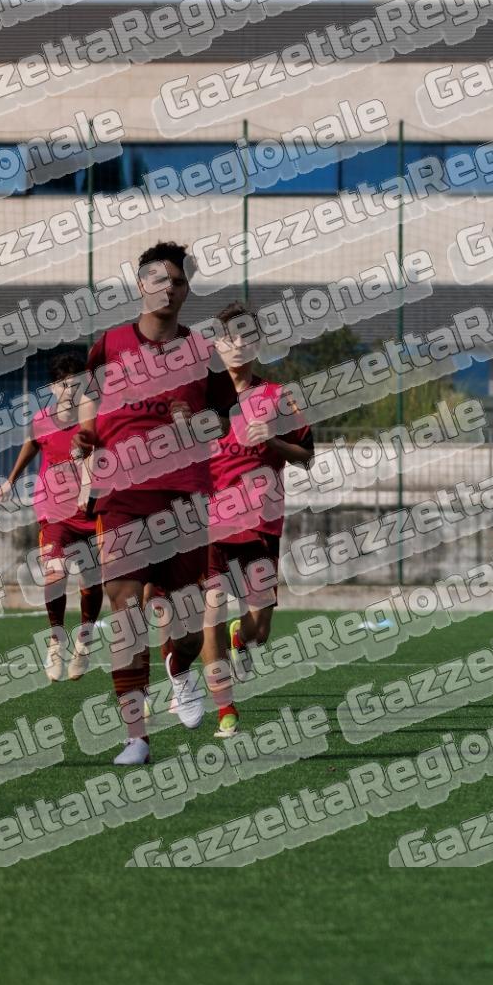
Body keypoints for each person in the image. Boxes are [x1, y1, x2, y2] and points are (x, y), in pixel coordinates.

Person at [75, 242, 238, 764]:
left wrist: (198, 424)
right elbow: (89, 397)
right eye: (158, 280)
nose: (168, 289)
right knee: (124, 606)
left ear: (187, 291)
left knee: (187, 627)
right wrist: (85, 434)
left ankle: (180, 668)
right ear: (140, 285)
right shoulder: (109, 344)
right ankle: (136, 738)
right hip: (122, 494)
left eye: (178, 282)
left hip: (185, 498)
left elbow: (225, 421)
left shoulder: (203, 352)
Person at [201, 301, 314, 738]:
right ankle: (225, 710)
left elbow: (307, 455)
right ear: (217, 345)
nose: (238, 346)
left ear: (257, 345)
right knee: (209, 612)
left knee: (260, 629)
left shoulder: (277, 397)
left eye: (247, 338)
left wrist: (274, 442)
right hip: (208, 524)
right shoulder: (200, 399)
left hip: (260, 524)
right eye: (229, 338)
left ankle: (241, 637)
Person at [0, 350, 103, 682]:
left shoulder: (93, 419)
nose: (69, 389)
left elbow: (98, 452)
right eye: (63, 383)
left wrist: (89, 484)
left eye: (75, 382)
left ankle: (84, 640)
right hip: (53, 510)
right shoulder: (42, 419)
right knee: (54, 574)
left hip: (90, 511)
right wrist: (10, 480)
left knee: (90, 581)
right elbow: (32, 443)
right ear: (53, 387)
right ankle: (56, 642)